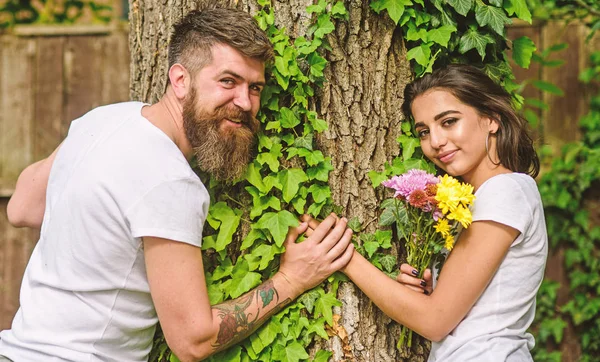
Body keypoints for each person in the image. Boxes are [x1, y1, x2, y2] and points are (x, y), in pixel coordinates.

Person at [0, 8, 354, 362]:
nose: (245, 103)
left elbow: (22, 207)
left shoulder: (104, 119)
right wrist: (291, 280)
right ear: (180, 80)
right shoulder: (169, 179)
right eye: (228, 81)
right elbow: (192, 340)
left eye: (255, 87)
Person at [305, 64, 547, 361]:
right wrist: (429, 292)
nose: (435, 142)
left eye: (448, 122)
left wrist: (343, 255)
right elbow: (464, 312)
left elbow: (435, 321)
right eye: (423, 131)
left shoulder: (505, 190)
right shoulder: (476, 200)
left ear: (491, 119)